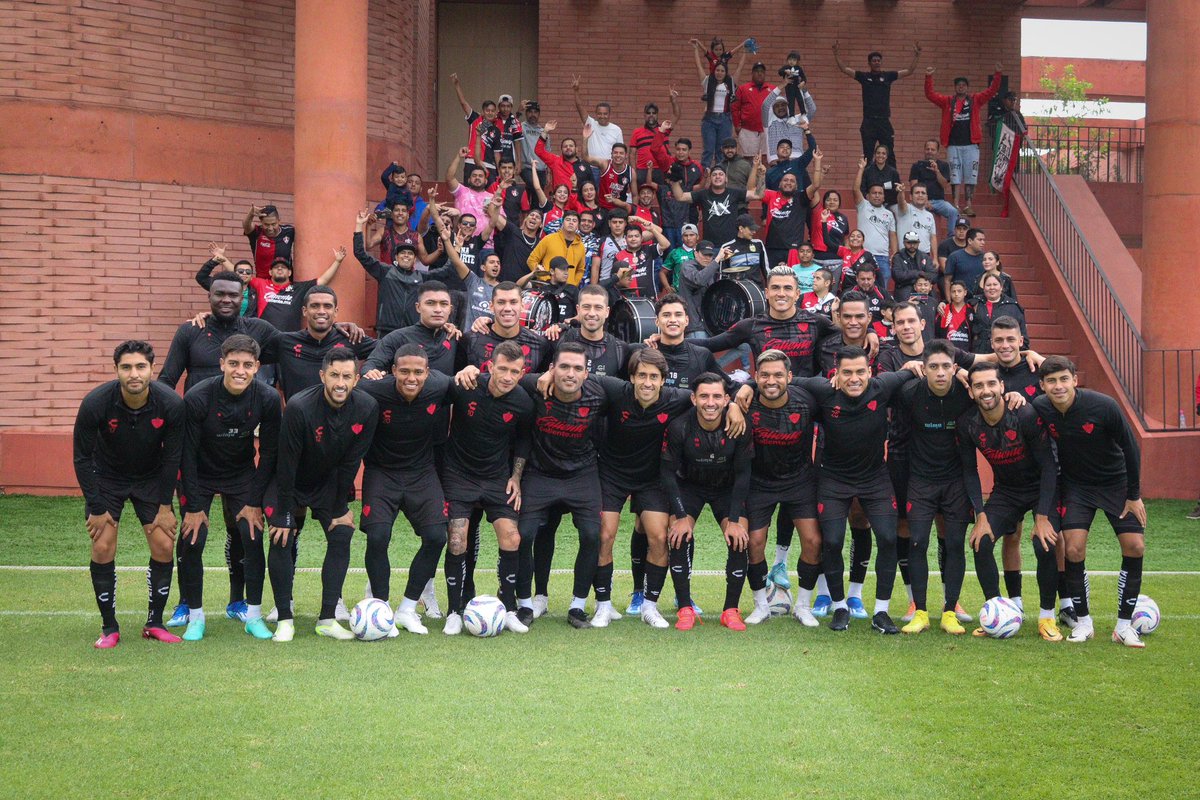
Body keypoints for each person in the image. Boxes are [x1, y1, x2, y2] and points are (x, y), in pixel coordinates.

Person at [792, 346, 920, 632]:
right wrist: (744, 391)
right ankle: (840, 608)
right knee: (833, 541)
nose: (854, 378)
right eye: (847, 372)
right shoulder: (823, 390)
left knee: (888, 538)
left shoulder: (882, 386)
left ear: (870, 372)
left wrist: (915, 364)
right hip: (833, 479)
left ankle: (881, 612)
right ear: (836, 374)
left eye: (860, 372)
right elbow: (780, 380)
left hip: (875, 478)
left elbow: (914, 370)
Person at [74, 340, 185, 648]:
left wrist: (165, 505)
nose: (134, 374)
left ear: (151, 369)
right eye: (126, 367)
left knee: (164, 543)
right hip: (107, 478)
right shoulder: (96, 403)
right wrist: (96, 507)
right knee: (103, 545)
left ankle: (154, 623)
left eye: (140, 367)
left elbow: (173, 457)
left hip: (150, 479)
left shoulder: (171, 404)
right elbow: (82, 458)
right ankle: (109, 627)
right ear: (117, 371)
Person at [1032, 356, 1147, 647]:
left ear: (1074, 380)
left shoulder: (1103, 406)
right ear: (1042, 385)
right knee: (1073, 548)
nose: (1058, 386)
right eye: (1051, 381)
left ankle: (1124, 626)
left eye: (1063, 379)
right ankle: (1083, 622)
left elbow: (1131, 447)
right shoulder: (1040, 407)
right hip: (1077, 487)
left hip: (1116, 484)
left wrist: (1133, 495)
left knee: (1134, 546)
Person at [264, 350, 378, 642]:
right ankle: (285, 619)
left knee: (342, 532)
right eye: (335, 375)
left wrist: (339, 506)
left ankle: (327, 618)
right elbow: (287, 463)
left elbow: (352, 462)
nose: (340, 383)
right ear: (323, 376)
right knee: (282, 535)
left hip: (329, 482)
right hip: (291, 479)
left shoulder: (367, 407)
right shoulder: (299, 407)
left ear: (356, 379)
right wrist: (285, 512)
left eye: (347, 377)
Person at [177, 335, 280, 642]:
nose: (240, 370)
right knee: (193, 540)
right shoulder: (197, 397)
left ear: (257, 367)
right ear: (221, 364)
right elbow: (186, 455)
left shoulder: (268, 398)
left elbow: (271, 453)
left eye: (248, 365)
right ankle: (195, 617)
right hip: (200, 474)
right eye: (233, 363)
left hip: (241, 474)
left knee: (252, 535)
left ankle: (253, 615)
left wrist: (253, 500)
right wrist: (194, 506)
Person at [959, 362, 1065, 642]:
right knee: (981, 542)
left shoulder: (1024, 414)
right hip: (1006, 490)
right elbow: (969, 471)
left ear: (1002, 387)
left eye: (991, 384)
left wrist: (1042, 516)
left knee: (1044, 542)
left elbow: (1047, 465)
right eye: (979, 385)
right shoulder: (968, 424)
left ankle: (1046, 617)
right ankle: (997, 611)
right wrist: (980, 514)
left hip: (1041, 488)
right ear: (971, 391)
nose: (986, 390)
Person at [358, 345, 455, 636]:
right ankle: (382, 608)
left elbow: (473, 386)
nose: (411, 378)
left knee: (437, 537)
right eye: (404, 371)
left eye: (417, 372)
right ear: (393, 372)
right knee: (377, 537)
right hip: (381, 473)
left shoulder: (440, 385)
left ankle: (408, 608)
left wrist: (472, 372)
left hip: (421, 474)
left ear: (428, 373)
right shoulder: (374, 390)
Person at [442, 341, 533, 633]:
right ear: (490, 366)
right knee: (457, 540)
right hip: (459, 475)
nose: (508, 376)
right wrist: (462, 370)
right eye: (502, 369)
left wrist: (516, 477)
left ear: (522, 373)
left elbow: (523, 440)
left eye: (515, 372)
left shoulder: (522, 402)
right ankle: (454, 611)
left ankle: (507, 607)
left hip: (496, 478)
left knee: (512, 538)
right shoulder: (465, 386)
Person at [889, 341, 979, 636]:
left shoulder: (967, 395)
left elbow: (995, 392)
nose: (940, 373)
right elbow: (895, 432)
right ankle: (921, 611)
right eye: (933, 367)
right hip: (920, 481)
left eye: (945, 367)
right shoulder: (909, 394)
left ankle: (950, 611)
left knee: (954, 544)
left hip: (956, 482)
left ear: (955, 368)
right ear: (923, 369)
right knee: (917, 543)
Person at [660, 373, 754, 631]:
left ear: (726, 399)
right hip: (690, 487)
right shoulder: (679, 426)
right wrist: (680, 517)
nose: (709, 402)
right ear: (693, 399)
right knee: (678, 535)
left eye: (716, 396)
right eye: (704, 396)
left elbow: (744, 475)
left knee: (739, 538)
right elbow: (667, 473)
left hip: (727, 489)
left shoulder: (739, 425)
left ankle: (730, 610)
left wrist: (734, 521)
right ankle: (685, 609)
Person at [742, 350, 821, 626]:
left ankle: (802, 605)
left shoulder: (808, 402)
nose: (771, 380)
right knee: (754, 543)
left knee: (813, 541)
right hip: (759, 483)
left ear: (789, 377)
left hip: (799, 481)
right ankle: (761, 605)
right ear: (755, 378)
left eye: (777, 374)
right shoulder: (745, 405)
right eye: (764, 375)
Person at [698, 265, 838, 378]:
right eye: (775, 287)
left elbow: (846, 338)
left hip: (806, 402)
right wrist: (676, 339)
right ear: (766, 293)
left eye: (787, 288)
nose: (781, 293)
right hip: (764, 403)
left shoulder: (816, 322)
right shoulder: (751, 326)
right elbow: (710, 344)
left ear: (797, 294)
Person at [159, 272, 279, 392]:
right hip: (199, 408)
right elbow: (166, 381)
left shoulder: (259, 329)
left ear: (241, 299)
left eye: (233, 295)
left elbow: (292, 347)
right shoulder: (190, 330)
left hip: (245, 408)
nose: (226, 300)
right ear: (209, 297)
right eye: (219, 294)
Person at [266, 286, 377, 403]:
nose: (321, 311)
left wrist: (371, 369)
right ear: (304, 310)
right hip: (298, 417)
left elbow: (389, 350)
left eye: (327, 306)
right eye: (315, 306)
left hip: (341, 417)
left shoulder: (351, 339)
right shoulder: (285, 342)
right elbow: (250, 352)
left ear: (336, 312)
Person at [925, 64, 1004, 216]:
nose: (961, 87)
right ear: (955, 88)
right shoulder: (947, 101)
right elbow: (930, 95)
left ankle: (968, 205)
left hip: (971, 145)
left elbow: (991, 91)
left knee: (971, 176)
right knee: (955, 176)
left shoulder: (976, 100)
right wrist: (929, 77)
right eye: (958, 85)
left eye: (963, 85)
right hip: (953, 145)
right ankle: (955, 204)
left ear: (967, 88)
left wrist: (998, 74)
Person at [833, 42, 922, 164]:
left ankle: (893, 182)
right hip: (868, 122)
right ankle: (866, 182)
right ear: (869, 63)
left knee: (889, 154)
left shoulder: (888, 76)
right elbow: (844, 69)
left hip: (884, 121)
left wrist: (917, 56)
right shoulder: (864, 77)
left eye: (878, 60)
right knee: (868, 156)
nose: (876, 62)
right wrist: (836, 54)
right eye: (874, 61)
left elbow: (909, 71)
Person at [362, 282, 460, 378]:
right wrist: (371, 372)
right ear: (418, 307)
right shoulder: (398, 337)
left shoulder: (455, 337)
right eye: (430, 303)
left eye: (444, 304)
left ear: (450, 309)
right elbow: (371, 365)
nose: (438, 309)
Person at [670, 162, 762, 250]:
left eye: (721, 174)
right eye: (714, 174)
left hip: (732, 245)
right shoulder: (703, 194)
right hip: (710, 247)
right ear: (710, 179)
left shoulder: (735, 193)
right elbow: (680, 197)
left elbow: (758, 195)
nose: (717, 176)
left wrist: (762, 176)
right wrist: (674, 180)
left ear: (726, 179)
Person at [852, 157, 898, 288]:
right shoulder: (863, 206)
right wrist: (861, 169)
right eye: (874, 193)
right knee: (861, 287)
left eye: (880, 193)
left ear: (884, 197)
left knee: (882, 289)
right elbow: (855, 189)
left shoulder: (889, 214)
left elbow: (893, 235)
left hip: (882, 257)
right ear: (868, 196)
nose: (877, 195)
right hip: (863, 254)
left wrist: (893, 254)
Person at [571, 76, 624, 178]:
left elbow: (620, 152)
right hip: (591, 168)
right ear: (596, 114)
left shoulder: (616, 130)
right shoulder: (591, 124)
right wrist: (576, 91)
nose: (602, 116)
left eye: (605, 114)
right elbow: (579, 107)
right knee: (591, 193)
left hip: (609, 169)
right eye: (599, 113)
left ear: (609, 114)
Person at [694, 55, 742, 169]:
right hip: (709, 119)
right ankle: (703, 177)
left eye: (722, 71)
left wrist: (744, 53)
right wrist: (696, 50)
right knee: (708, 150)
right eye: (717, 70)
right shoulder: (708, 81)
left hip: (725, 119)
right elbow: (698, 67)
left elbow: (740, 68)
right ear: (713, 71)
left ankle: (721, 174)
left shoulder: (730, 82)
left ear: (726, 72)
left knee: (722, 150)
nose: (719, 73)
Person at [449, 73, 498, 180]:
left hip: (489, 165)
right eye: (487, 110)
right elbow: (463, 103)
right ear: (483, 112)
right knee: (470, 194)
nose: (490, 113)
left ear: (496, 113)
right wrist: (457, 84)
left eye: (492, 111)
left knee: (489, 196)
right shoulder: (475, 118)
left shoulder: (497, 127)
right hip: (471, 162)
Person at [660, 138, 705, 250]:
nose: (681, 152)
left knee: (689, 243)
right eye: (678, 149)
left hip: (691, 209)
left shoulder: (697, 166)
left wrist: (700, 208)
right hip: (673, 210)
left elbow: (699, 190)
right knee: (672, 247)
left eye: (684, 150)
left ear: (689, 151)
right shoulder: (670, 163)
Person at [612, 217, 671, 299]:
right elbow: (616, 280)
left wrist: (651, 229)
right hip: (627, 299)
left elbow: (666, 244)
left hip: (650, 298)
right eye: (630, 236)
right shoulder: (619, 255)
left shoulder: (649, 250)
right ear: (625, 239)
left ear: (642, 238)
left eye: (636, 236)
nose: (633, 239)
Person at [527, 209, 588, 285]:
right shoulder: (549, 239)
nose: (571, 223)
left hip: (568, 290)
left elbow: (580, 269)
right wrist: (544, 278)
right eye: (568, 220)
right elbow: (531, 260)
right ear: (562, 222)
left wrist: (573, 284)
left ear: (578, 225)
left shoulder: (581, 246)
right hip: (546, 285)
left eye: (574, 221)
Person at [909, 139, 958, 233]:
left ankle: (951, 238)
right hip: (920, 200)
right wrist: (924, 201)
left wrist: (937, 171)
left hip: (939, 202)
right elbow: (913, 186)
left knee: (953, 212)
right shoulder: (916, 165)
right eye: (927, 149)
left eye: (933, 149)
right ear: (924, 150)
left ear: (938, 152)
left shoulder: (944, 165)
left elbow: (944, 185)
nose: (930, 152)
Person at [971, 273, 1028, 354]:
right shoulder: (974, 303)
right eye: (988, 285)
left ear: (1001, 287)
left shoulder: (1013, 307)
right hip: (979, 353)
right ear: (983, 288)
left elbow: (1023, 336)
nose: (992, 287)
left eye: (995, 284)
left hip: (1004, 352)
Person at [196, 246, 257, 318]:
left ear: (251, 275)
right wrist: (214, 261)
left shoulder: (255, 293)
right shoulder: (223, 287)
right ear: (234, 272)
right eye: (240, 271)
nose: (244, 273)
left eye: (248, 272)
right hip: (223, 326)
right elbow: (201, 277)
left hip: (245, 327)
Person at [676, 241, 722, 336]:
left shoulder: (710, 269)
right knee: (699, 350)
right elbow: (699, 280)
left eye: (710, 255)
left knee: (743, 346)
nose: (707, 258)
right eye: (704, 254)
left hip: (709, 323)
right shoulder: (687, 266)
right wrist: (716, 260)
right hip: (695, 325)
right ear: (695, 253)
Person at [731, 62, 775, 157]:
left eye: (762, 72)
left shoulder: (772, 89)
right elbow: (734, 108)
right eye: (757, 71)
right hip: (748, 131)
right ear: (752, 73)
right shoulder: (743, 89)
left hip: (767, 131)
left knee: (766, 159)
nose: (759, 73)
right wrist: (737, 126)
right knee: (748, 159)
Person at [492, 206, 544, 284]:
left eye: (538, 217)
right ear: (525, 219)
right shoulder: (513, 231)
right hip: (505, 283)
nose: (534, 217)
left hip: (525, 287)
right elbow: (494, 215)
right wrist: (495, 205)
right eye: (531, 215)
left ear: (541, 225)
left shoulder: (541, 244)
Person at [243, 204, 295, 279]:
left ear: (279, 221)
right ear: (261, 222)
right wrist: (251, 215)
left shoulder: (289, 231)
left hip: (285, 283)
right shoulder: (257, 233)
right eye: (266, 224)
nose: (270, 228)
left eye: (274, 224)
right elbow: (246, 226)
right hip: (263, 283)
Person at [763, 92, 816, 166]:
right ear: (773, 109)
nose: (780, 108)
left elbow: (812, 109)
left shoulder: (798, 120)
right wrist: (781, 86)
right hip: (777, 161)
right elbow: (765, 105)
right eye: (777, 106)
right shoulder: (769, 123)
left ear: (787, 106)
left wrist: (804, 91)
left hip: (797, 161)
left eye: (783, 105)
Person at [892, 182, 936, 256]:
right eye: (917, 193)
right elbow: (901, 202)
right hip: (906, 254)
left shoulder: (930, 216)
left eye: (923, 193)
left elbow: (933, 237)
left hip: (925, 256)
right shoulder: (906, 209)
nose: (920, 195)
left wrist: (935, 257)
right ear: (910, 196)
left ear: (927, 197)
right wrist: (901, 192)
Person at [809, 189, 850, 267]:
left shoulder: (843, 218)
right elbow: (814, 188)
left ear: (839, 203)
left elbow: (846, 238)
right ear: (824, 202)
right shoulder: (818, 212)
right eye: (828, 200)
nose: (832, 202)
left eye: (835, 200)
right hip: (818, 259)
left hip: (837, 260)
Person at [943, 227, 986, 300]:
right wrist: (949, 301)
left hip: (980, 301)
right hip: (960, 300)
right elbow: (947, 280)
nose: (983, 242)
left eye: (983, 240)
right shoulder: (955, 256)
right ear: (969, 241)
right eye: (979, 240)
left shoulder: (985, 258)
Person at [892, 231, 937, 301]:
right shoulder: (898, 257)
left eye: (915, 242)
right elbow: (897, 275)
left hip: (923, 288)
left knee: (932, 298)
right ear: (904, 243)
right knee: (906, 297)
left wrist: (920, 282)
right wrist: (917, 274)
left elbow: (933, 276)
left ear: (918, 243)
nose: (912, 245)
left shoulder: (925, 256)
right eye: (909, 242)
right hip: (905, 288)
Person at [661, 223, 700, 291]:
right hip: (679, 292)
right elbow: (662, 272)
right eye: (685, 235)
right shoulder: (675, 252)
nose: (688, 238)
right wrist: (668, 288)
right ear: (682, 238)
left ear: (697, 237)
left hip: (698, 292)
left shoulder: (702, 252)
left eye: (691, 235)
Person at [936, 280, 974, 349]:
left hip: (966, 352)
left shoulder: (971, 310)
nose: (956, 294)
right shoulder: (944, 309)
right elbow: (938, 332)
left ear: (965, 292)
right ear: (950, 293)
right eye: (953, 291)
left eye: (959, 291)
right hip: (947, 351)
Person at [777, 50, 808, 115]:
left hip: (797, 87)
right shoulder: (786, 67)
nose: (791, 61)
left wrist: (803, 82)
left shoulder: (799, 68)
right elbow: (780, 72)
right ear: (787, 60)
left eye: (794, 60)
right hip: (789, 88)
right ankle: (791, 116)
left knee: (800, 100)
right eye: (790, 59)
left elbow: (804, 77)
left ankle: (803, 113)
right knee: (791, 102)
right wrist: (785, 71)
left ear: (797, 62)